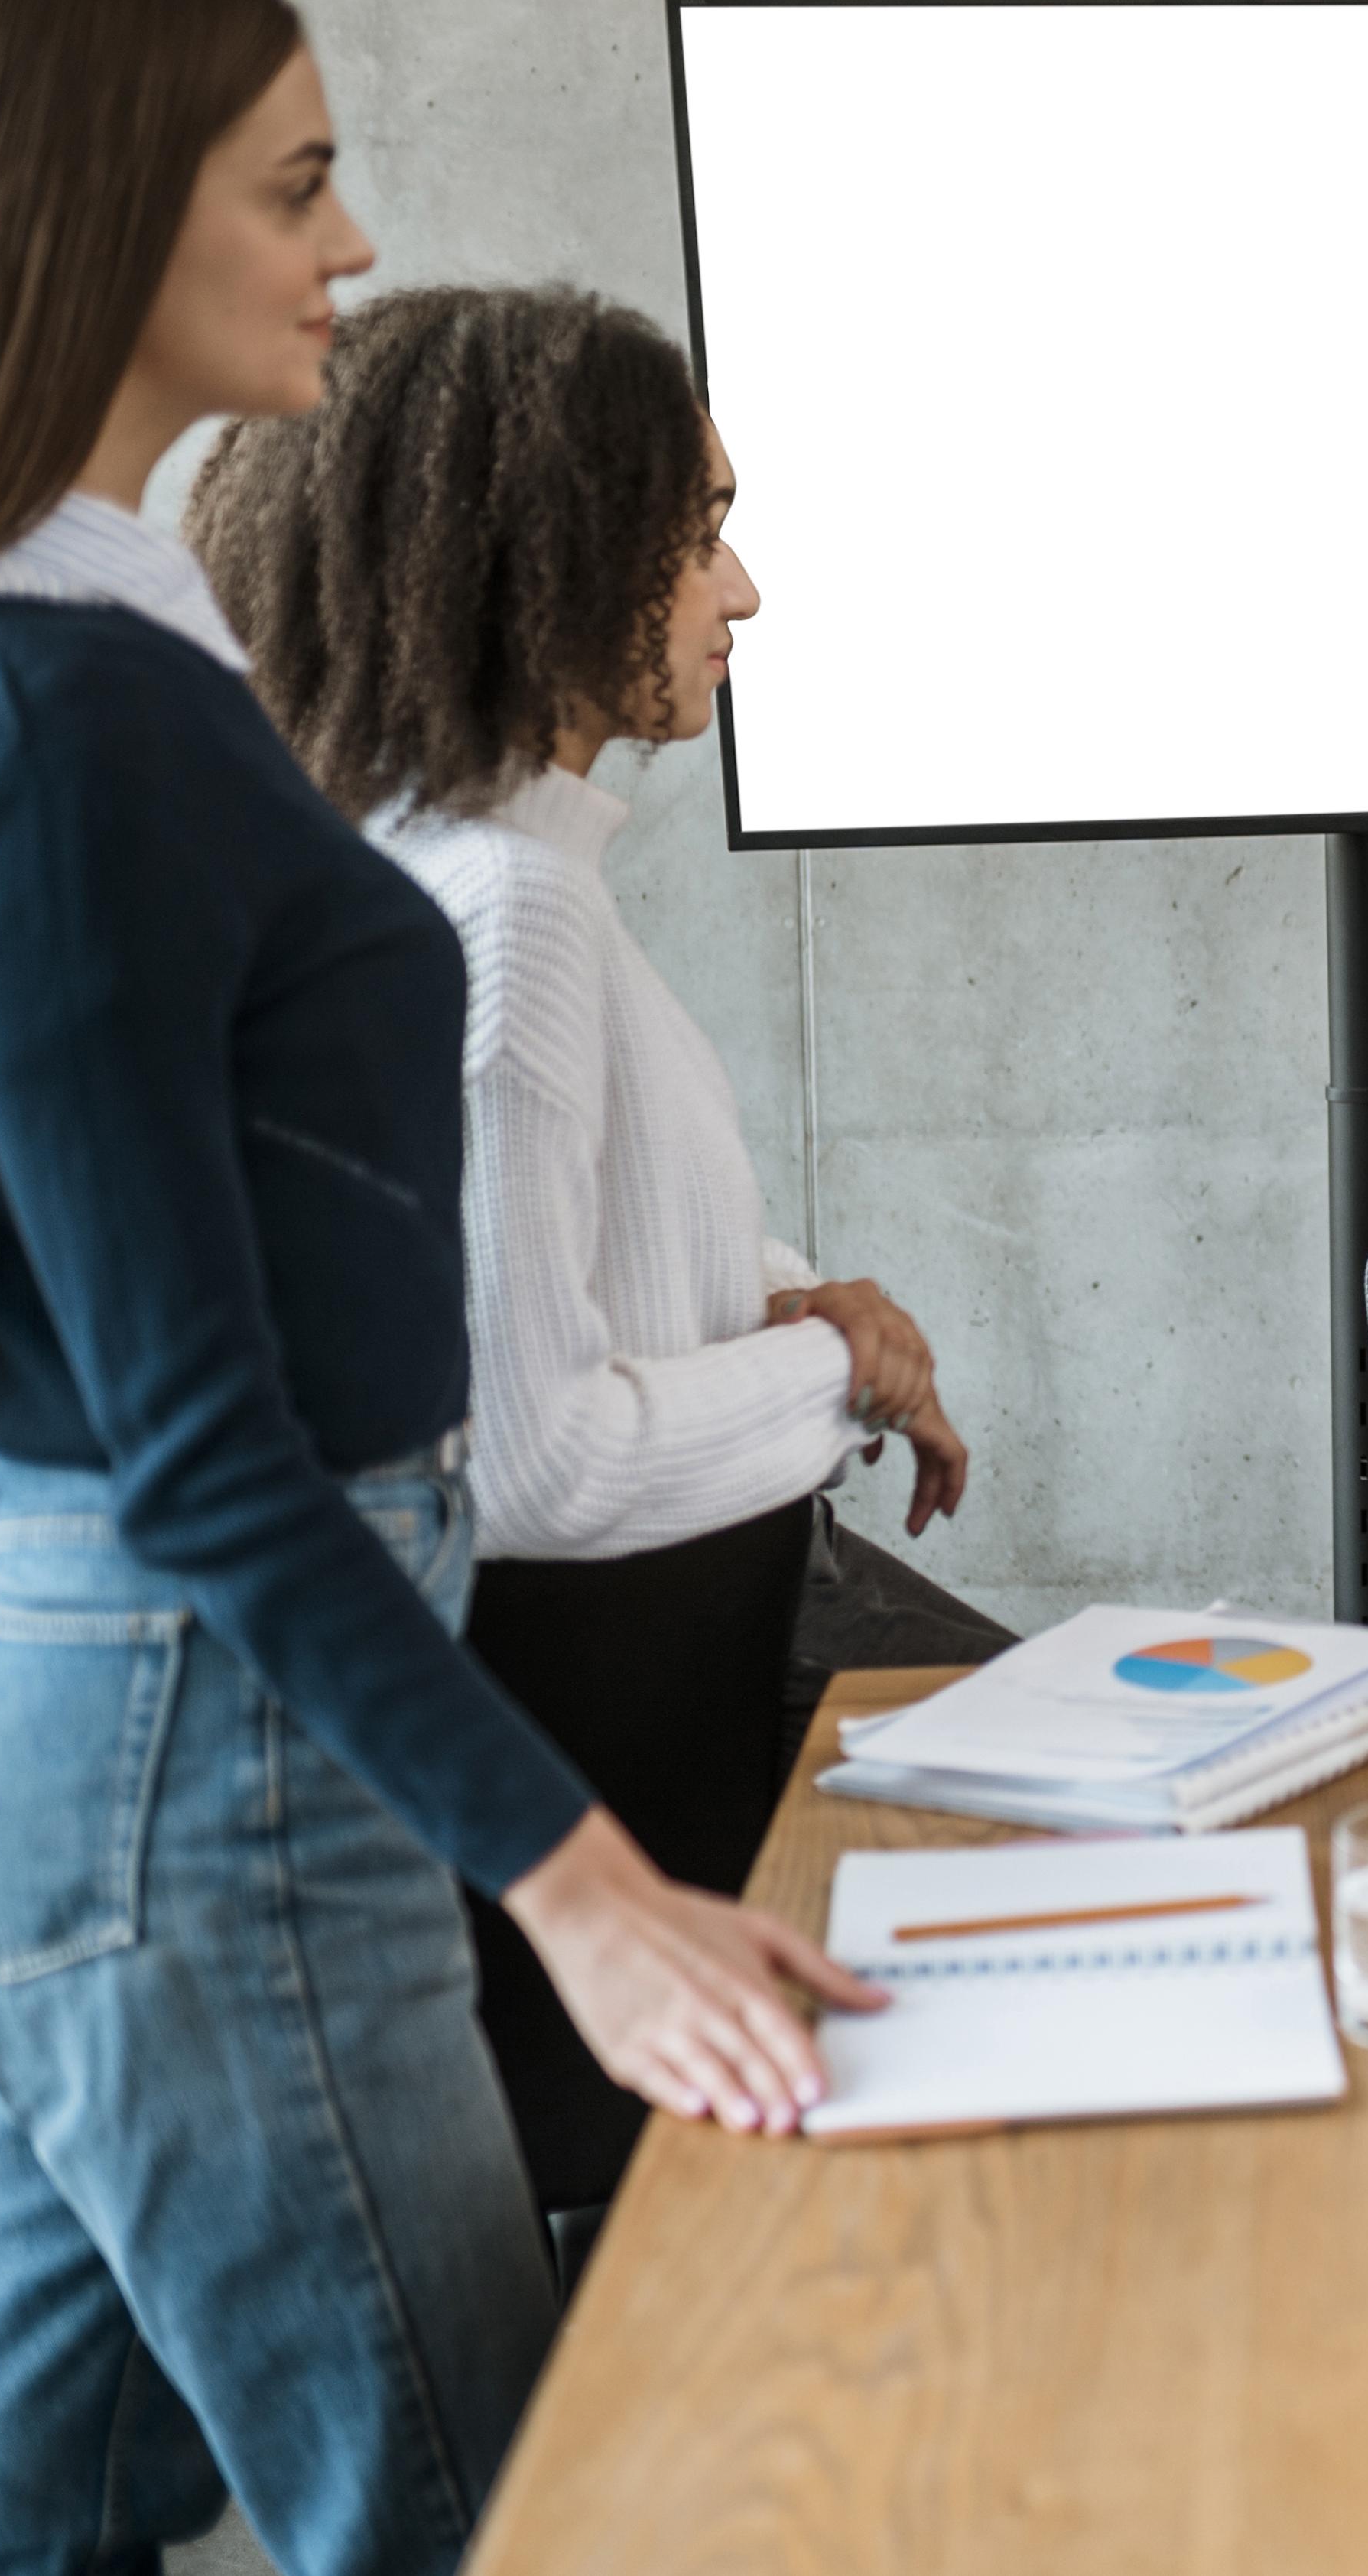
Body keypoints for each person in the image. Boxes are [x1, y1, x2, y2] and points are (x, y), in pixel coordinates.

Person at [0, 0, 870, 2576]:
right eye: (296, 184)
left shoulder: (63, 653)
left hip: (97, 1699)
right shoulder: (51, 717)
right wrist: (587, 1889)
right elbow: (208, 1445)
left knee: (31, 2514)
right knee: (480, 2505)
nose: (355, 243)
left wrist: (55, 1470)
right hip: (192, 1747)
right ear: (95, 212)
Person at [192, 281, 991, 2221]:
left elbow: (575, 1261)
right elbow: (529, 1455)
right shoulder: (502, 912)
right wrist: (835, 1363)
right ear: (548, 561)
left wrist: (792, 1299)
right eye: (700, 533)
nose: (745, 592)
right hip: (615, 1740)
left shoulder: (484, 870)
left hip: (647, 1700)